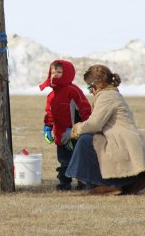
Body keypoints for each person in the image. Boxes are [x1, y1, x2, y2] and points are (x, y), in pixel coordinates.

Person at [66, 64, 145, 196]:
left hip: (123, 145)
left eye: (89, 86)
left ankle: (109, 184)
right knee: (92, 140)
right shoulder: (113, 94)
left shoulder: (106, 96)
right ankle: (122, 183)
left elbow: (94, 125)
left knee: (85, 141)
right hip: (129, 145)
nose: (90, 91)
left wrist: (74, 130)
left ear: (98, 83)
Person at [39, 60, 92, 191]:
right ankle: (64, 183)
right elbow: (49, 113)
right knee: (63, 161)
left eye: (59, 72)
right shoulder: (51, 95)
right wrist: (48, 127)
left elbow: (85, 111)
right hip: (60, 135)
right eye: (52, 72)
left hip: (75, 134)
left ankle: (83, 183)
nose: (55, 74)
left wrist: (79, 130)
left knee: (79, 159)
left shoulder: (73, 91)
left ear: (67, 73)